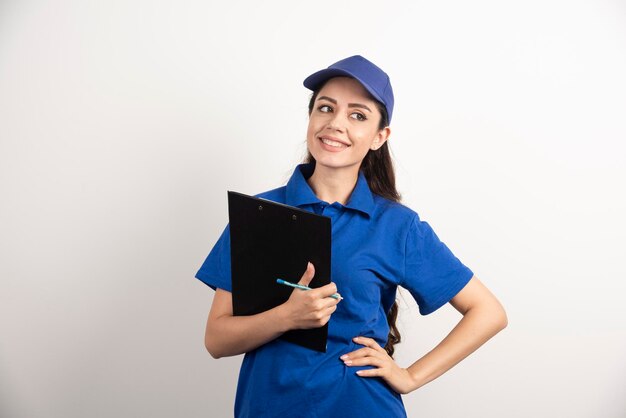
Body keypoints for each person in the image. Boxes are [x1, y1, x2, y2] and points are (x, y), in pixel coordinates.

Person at [196, 55, 508, 417]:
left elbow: (488, 312)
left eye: (357, 115)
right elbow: (216, 340)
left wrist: (409, 376)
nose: (336, 124)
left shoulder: (397, 226)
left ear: (379, 137)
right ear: (311, 119)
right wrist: (287, 316)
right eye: (325, 108)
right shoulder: (257, 214)